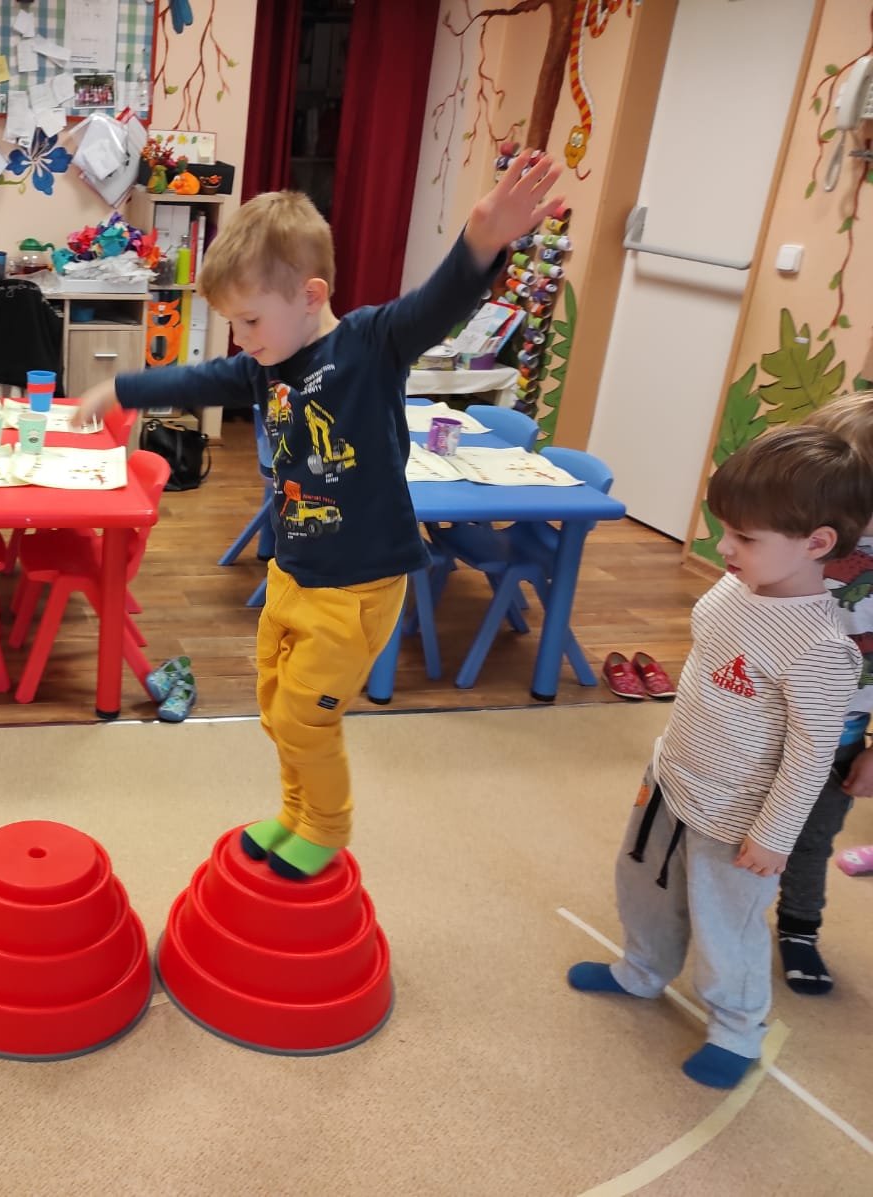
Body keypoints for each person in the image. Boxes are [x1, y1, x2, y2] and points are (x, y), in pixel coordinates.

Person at [78, 152, 567, 880]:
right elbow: (196, 376)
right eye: (233, 324)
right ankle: (295, 813)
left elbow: (436, 304)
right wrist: (121, 388)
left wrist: (481, 242)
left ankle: (327, 829)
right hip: (294, 573)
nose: (240, 339)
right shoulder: (265, 367)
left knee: (308, 715)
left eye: (250, 320)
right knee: (278, 708)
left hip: (359, 584)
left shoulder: (370, 343)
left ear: (310, 295)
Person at [568, 425, 873, 1089]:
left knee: (724, 924)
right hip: (672, 778)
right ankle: (641, 969)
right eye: (725, 529)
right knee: (643, 885)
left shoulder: (822, 649)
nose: (724, 547)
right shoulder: (734, 589)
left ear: (818, 543)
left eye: (745, 538)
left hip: (739, 818)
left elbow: (809, 755)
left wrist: (774, 835)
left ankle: (736, 1027)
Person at [775, 393, 873, 993]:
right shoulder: (796, 544)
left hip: (837, 742)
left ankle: (799, 927)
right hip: (761, 729)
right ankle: (715, 912)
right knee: (733, 830)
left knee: (810, 841)